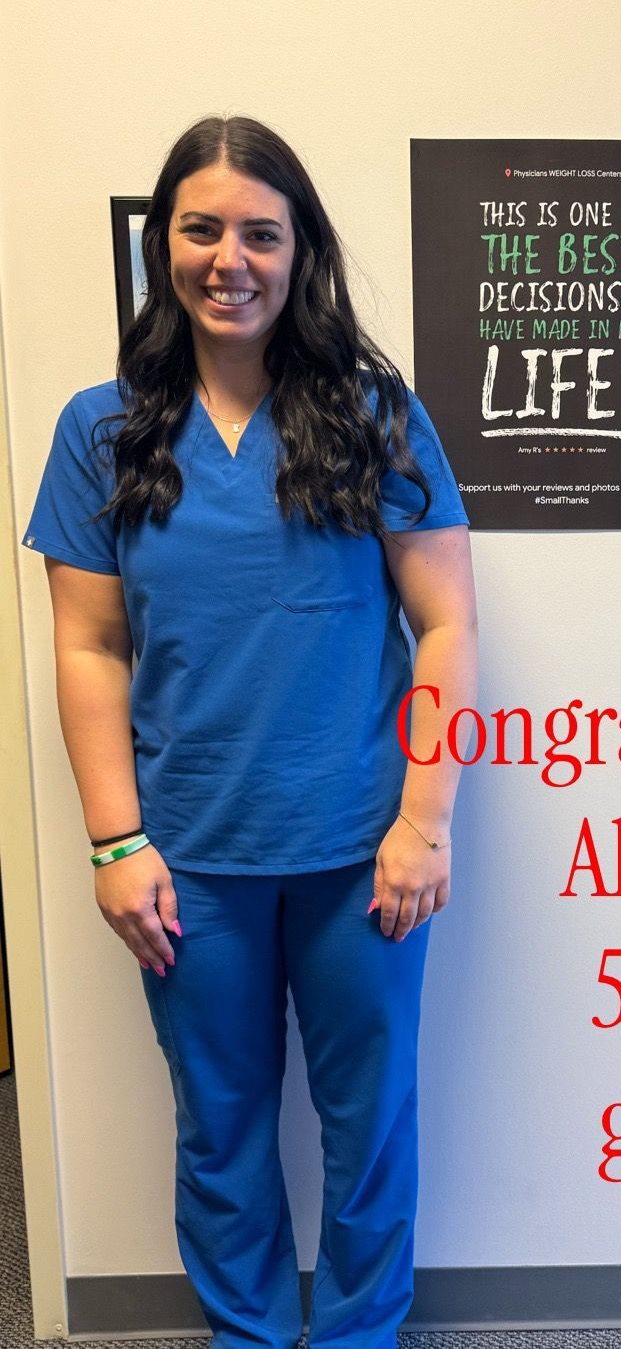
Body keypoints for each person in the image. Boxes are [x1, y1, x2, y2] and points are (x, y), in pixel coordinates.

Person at [20, 113, 478, 1349]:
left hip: (359, 854)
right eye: (203, 228)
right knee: (219, 1130)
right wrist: (118, 845)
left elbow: (443, 627)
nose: (232, 258)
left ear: (301, 249)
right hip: (191, 863)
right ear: (165, 244)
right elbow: (87, 647)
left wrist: (423, 824)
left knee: (367, 1128)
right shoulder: (101, 429)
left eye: (261, 233)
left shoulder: (377, 414)